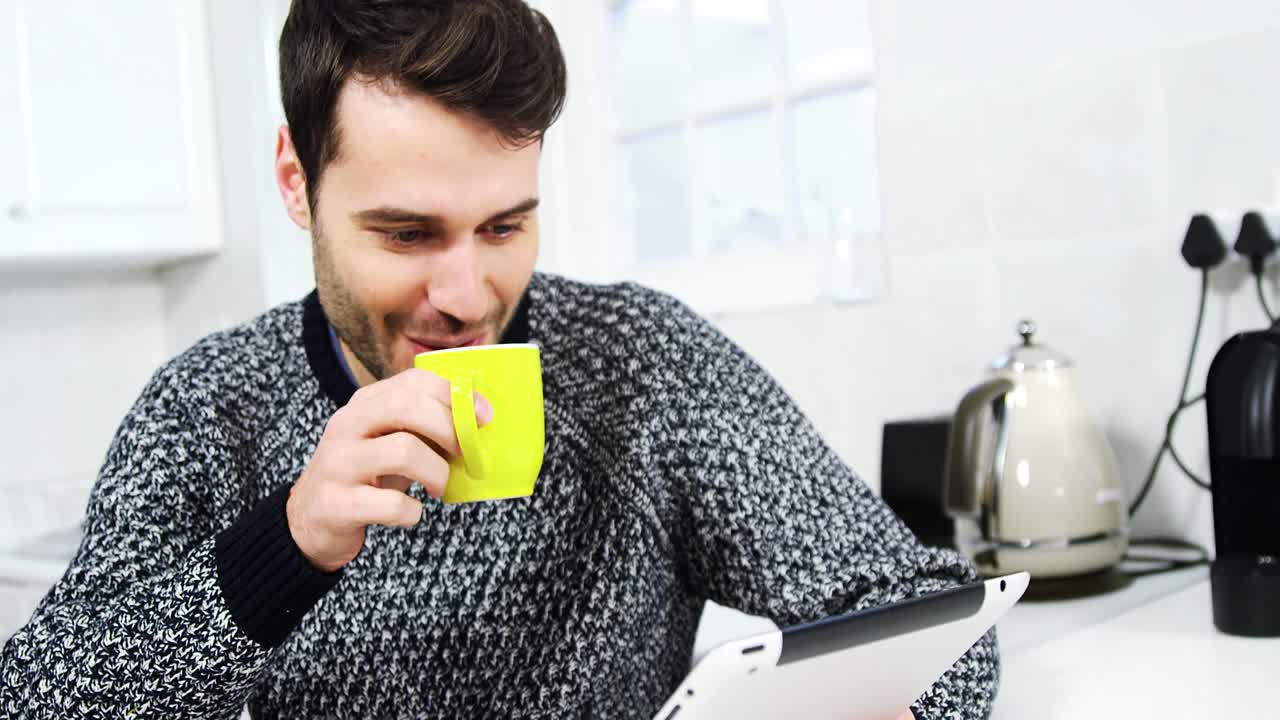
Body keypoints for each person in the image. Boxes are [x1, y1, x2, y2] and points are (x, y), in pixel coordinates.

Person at [0, 1, 997, 718]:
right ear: (295, 184)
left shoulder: (644, 363)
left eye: (504, 224)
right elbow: (39, 699)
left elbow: (926, 617)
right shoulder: (202, 411)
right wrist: (281, 552)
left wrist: (890, 706)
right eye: (404, 234)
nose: (470, 296)